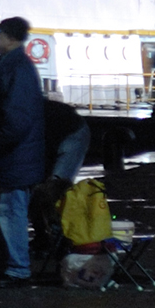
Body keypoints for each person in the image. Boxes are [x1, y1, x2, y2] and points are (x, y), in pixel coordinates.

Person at [0, 17, 45, 287]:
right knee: (3, 211)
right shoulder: (15, 68)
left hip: (12, 157)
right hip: (11, 157)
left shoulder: (16, 70)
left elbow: (15, 121)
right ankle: (7, 266)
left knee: (10, 212)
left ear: (11, 38)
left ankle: (16, 269)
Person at [29, 99, 91, 252]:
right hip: (61, 133)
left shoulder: (39, 116)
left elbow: (47, 148)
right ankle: (45, 236)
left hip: (73, 134)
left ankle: (61, 237)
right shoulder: (31, 109)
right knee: (41, 190)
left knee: (55, 189)